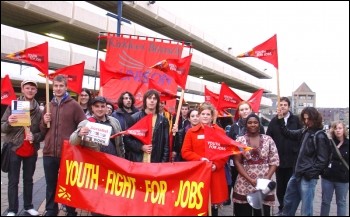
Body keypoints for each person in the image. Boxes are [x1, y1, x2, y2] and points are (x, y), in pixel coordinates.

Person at [40, 75, 86, 216]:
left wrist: (81, 132)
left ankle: (71, 210)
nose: (58, 88)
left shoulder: (74, 105)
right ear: (53, 87)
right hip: (49, 152)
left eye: (61, 86)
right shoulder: (48, 105)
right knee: (51, 184)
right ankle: (50, 210)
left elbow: (83, 124)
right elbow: (42, 131)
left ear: (66, 87)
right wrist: (43, 121)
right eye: (56, 86)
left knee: (68, 184)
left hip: (68, 153)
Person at [1, 80, 45, 216]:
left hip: (31, 149)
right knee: (13, 180)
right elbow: (2, 126)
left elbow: (42, 133)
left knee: (29, 179)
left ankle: (28, 206)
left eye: (33, 88)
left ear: (36, 91)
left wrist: (35, 137)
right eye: (27, 88)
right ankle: (12, 209)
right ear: (22, 89)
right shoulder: (13, 106)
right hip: (14, 148)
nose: (30, 90)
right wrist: (9, 122)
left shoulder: (40, 111)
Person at [276, 106, 331, 216]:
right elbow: (288, 133)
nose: (306, 121)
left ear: (315, 118)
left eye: (309, 119)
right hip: (297, 173)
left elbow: (323, 160)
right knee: (288, 202)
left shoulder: (320, 135)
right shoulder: (305, 131)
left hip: (307, 177)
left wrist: (310, 173)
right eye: (304, 119)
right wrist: (281, 119)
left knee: (306, 209)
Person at [181, 102, 228, 216]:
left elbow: (225, 153)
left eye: (208, 114)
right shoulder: (191, 132)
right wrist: (201, 160)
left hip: (215, 173)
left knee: (213, 208)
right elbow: (185, 152)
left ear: (212, 116)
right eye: (203, 114)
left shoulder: (220, 132)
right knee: (199, 206)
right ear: (199, 115)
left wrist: (215, 165)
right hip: (199, 174)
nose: (205, 116)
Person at [232, 113, 279, 216]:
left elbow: (274, 160)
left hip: (264, 184)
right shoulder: (240, 141)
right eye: (249, 122)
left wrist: (267, 178)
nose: (252, 125)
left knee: (262, 212)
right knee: (243, 212)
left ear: (259, 124)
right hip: (244, 183)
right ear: (246, 125)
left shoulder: (268, 140)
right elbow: (237, 162)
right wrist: (250, 179)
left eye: (255, 122)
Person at [266, 97, 302, 215]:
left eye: (285, 105)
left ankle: (289, 209)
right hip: (279, 160)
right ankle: (282, 207)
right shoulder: (274, 121)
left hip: (292, 159)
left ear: (289, 107)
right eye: (280, 105)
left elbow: (300, 137)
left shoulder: (296, 120)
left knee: (290, 187)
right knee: (280, 187)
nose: (282, 107)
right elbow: (268, 138)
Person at [227, 101, 265, 207]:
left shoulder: (259, 126)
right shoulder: (234, 127)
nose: (244, 111)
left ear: (251, 110)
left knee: (254, 188)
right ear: (239, 112)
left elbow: (263, 143)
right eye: (242, 109)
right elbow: (230, 144)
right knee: (238, 190)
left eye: (246, 109)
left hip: (254, 164)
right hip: (237, 164)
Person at [123, 89, 169, 163]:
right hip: (138, 160)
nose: (152, 101)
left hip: (155, 161)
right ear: (145, 100)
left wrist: (163, 163)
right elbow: (127, 139)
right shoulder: (134, 118)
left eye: (154, 98)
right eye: (149, 98)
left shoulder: (163, 120)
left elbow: (166, 144)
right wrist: (140, 147)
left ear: (157, 102)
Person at [320, 121, 349, 216]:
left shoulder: (348, 144)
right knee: (325, 202)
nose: (338, 130)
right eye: (335, 128)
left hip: (343, 179)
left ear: (344, 129)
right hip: (328, 177)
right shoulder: (329, 142)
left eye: (340, 128)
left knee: (341, 203)